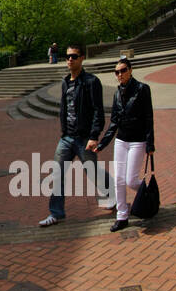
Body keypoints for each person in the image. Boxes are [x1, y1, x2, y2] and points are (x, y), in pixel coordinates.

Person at [38, 44, 105, 228]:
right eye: (67, 56)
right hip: (67, 138)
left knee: (93, 172)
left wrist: (94, 135)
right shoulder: (65, 82)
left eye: (74, 56)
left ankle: (114, 195)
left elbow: (99, 112)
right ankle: (56, 213)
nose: (70, 60)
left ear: (82, 58)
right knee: (58, 174)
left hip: (84, 138)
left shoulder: (92, 82)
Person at [91, 57, 154, 232]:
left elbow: (149, 118)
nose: (120, 74)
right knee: (119, 179)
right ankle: (122, 215)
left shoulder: (142, 89)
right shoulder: (117, 93)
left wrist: (150, 143)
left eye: (123, 70)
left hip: (138, 141)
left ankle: (147, 194)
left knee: (131, 179)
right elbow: (114, 122)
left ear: (130, 70)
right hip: (121, 140)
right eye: (117, 72)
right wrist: (103, 143)